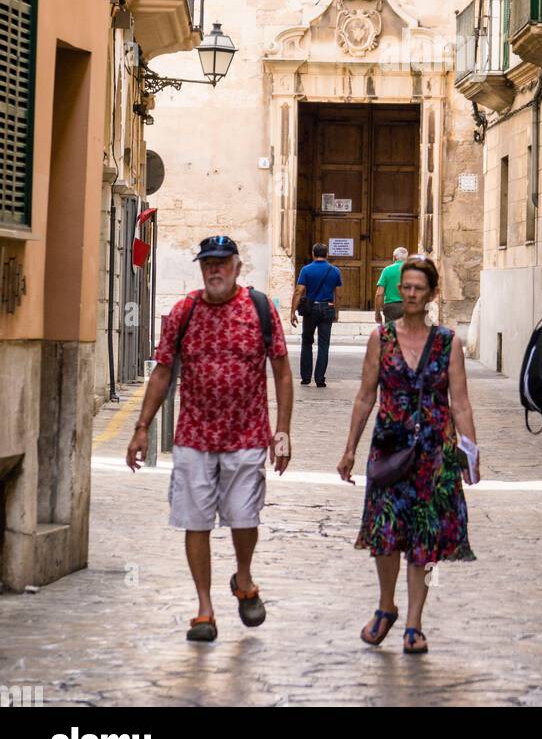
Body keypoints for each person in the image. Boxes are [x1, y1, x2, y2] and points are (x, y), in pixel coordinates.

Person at [126, 235, 292, 642]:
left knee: (244, 518)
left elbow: (283, 372)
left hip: (248, 436)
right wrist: (142, 427)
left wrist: (282, 431)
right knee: (194, 522)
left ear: (237, 267)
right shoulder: (184, 312)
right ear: (201, 269)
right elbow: (163, 371)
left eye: (222, 263)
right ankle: (204, 609)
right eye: (207, 264)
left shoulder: (260, 309)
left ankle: (245, 578)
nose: (214, 270)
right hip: (194, 437)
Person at [337, 257, 477, 655]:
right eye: (407, 288)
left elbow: (461, 402)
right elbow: (366, 395)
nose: (411, 294)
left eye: (419, 288)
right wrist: (349, 448)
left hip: (434, 453)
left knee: (424, 538)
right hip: (388, 447)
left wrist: (471, 449)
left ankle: (414, 623)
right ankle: (386, 605)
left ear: (432, 294)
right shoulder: (380, 339)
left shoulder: (448, 342)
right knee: (384, 533)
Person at [291, 242, 342, 387]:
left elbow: (299, 291)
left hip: (311, 309)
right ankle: (320, 379)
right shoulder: (335, 271)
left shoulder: (306, 270)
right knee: (324, 345)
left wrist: (292, 311)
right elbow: (338, 294)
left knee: (307, 342)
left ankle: (306, 377)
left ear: (313, 254)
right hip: (328, 308)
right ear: (327, 255)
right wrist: (336, 311)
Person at [374, 245, 408, 325]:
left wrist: (377, 313)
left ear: (394, 257)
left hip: (391, 307)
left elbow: (379, 293)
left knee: (391, 334)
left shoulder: (387, 270)